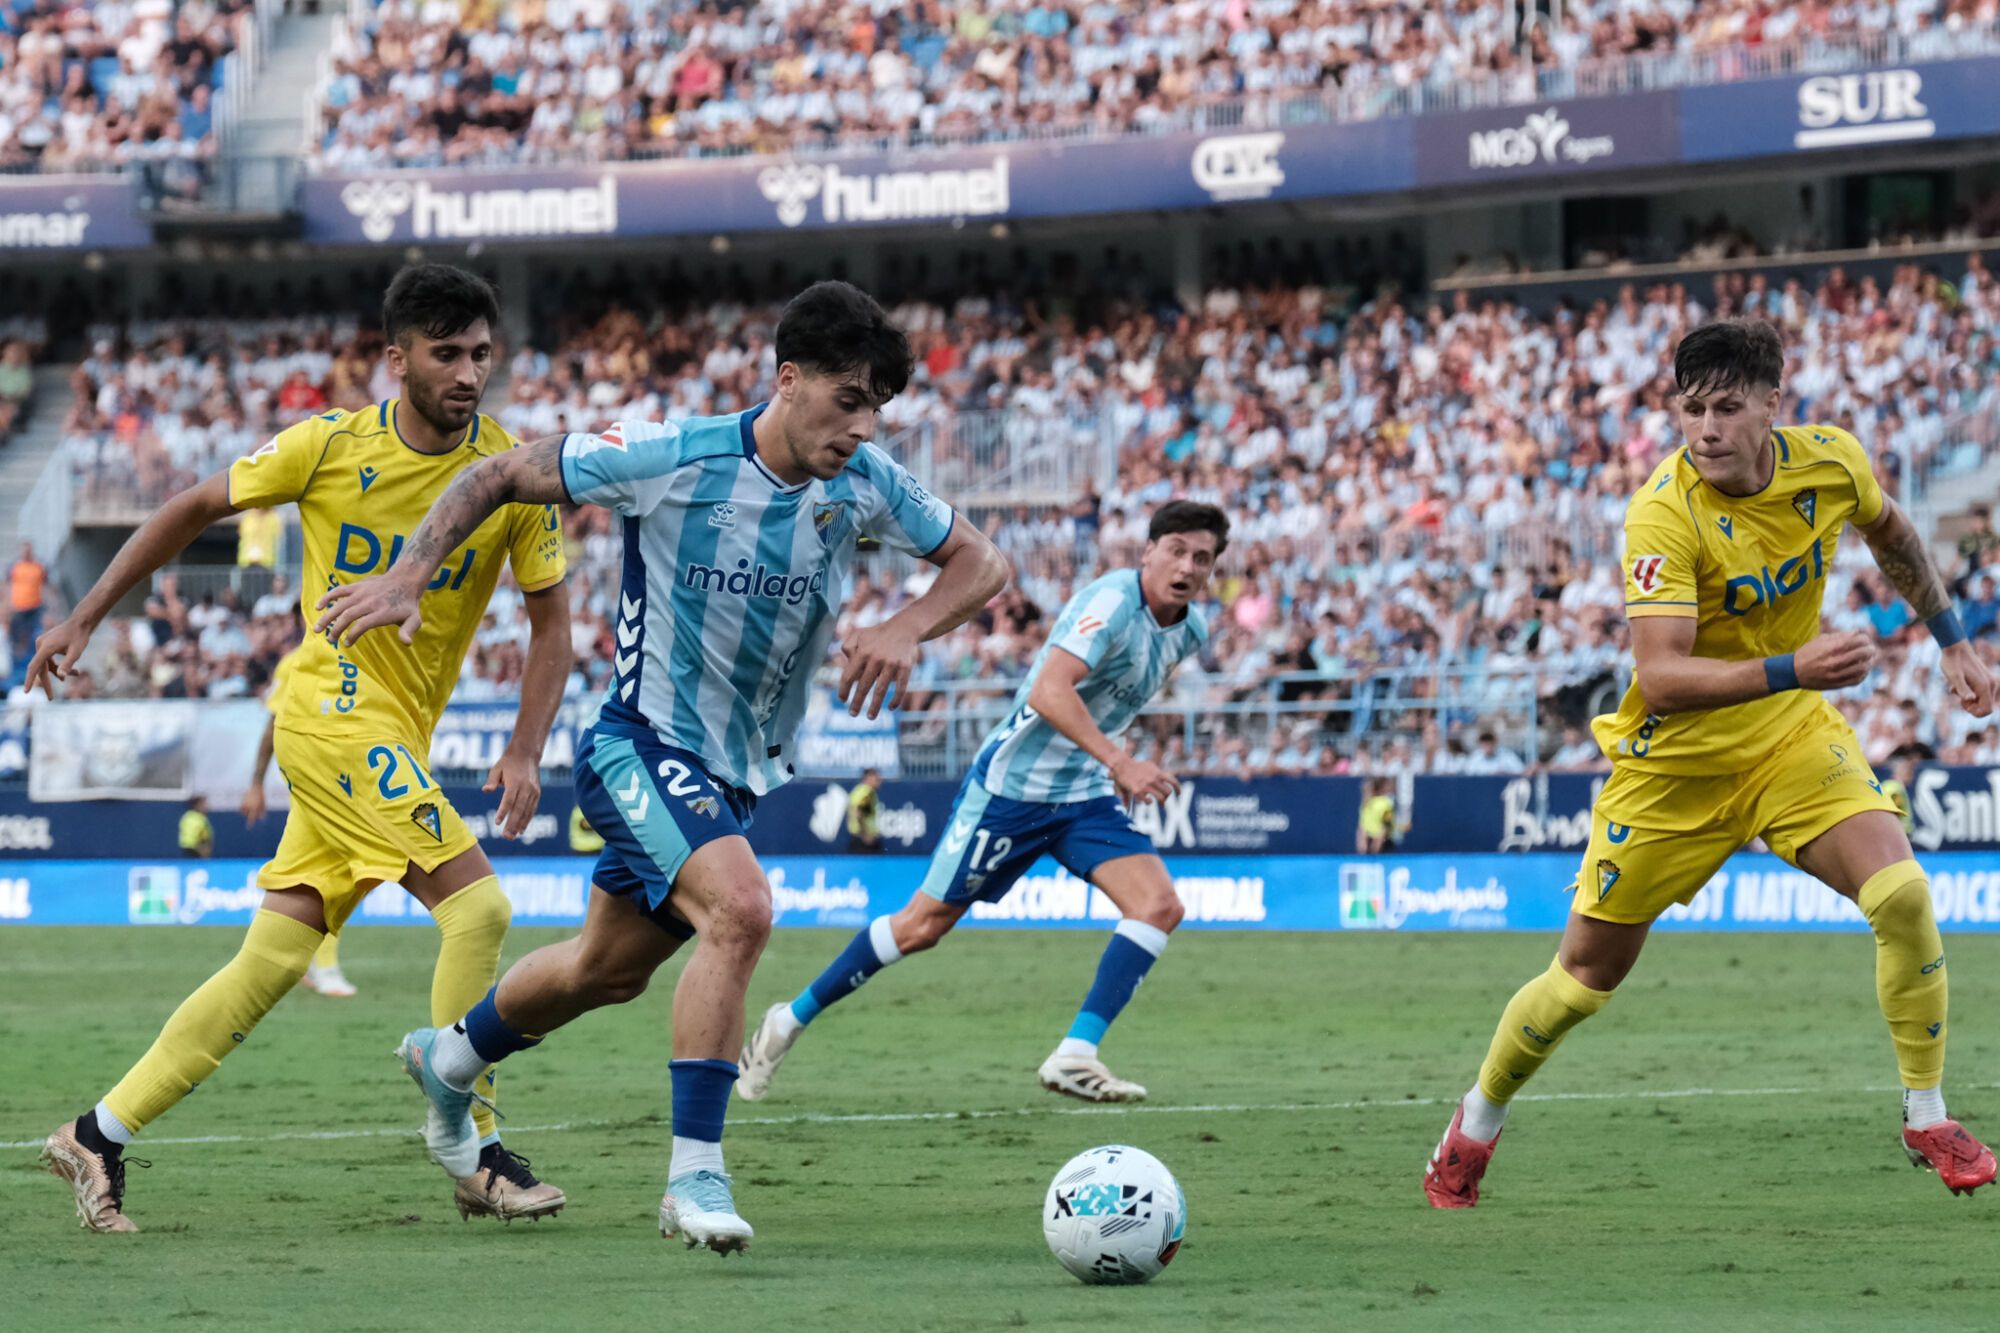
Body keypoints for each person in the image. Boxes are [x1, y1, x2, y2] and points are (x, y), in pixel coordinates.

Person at [313, 280, 1010, 1255]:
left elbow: (983, 563)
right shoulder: (669, 454)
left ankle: (450, 1056)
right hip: (638, 743)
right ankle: (694, 1175)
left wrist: (904, 622)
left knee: (604, 971)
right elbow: (499, 476)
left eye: (876, 408)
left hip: (733, 776)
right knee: (742, 908)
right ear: (787, 379)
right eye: (846, 401)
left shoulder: (867, 484)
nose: (861, 426)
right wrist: (409, 571)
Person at [36, 264, 573, 1233]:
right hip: (330, 710)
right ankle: (470, 1146)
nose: (467, 373)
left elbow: (551, 625)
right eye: (445, 354)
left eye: (480, 354)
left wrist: (526, 748)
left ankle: (97, 1131)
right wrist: (82, 616)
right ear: (395, 359)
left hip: (388, 733)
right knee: (480, 906)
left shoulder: (510, 474)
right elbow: (193, 506)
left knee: (274, 958)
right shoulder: (329, 445)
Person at [1423, 318, 1998, 1209]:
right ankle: (1477, 1119)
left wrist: (1953, 641)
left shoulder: (1831, 462)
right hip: (1673, 768)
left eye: (1728, 407)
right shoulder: (1663, 511)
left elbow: (1895, 535)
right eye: (1691, 410)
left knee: (1904, 895)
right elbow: (1660, 675)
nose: (1706, 430)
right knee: (1585, 977)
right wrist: (1793, 666)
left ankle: (1927, 1113)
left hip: (1787, 738)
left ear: (1776, 400)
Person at [738, 501, 1227, 1107]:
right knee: (921, 928)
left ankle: (1076, 1055)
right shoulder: (1112, 602)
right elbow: (1049, 690)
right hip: (1013, 789)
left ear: (1212, 570)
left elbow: (1111, 700)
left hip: (1080, 792)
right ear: (1148, 551)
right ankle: (787, 1020)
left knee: (1158, 905)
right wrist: (1120, 760)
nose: (1186, 566)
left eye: (1201, 557)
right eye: (1175, 549)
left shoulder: (1191, 631)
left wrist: (1112, 759)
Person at [243, 643, 355, 998]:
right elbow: (272, 723)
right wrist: (256, 784)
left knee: (332, 873)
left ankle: (275, 931)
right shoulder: (296, 661)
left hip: (354, 782)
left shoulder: (368, 652)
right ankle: (324, 966)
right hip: (315, 781)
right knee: (333, 874)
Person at [10, 541, 48, 673]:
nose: (26, 552)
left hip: (35, 607)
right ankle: (18, 669)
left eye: (28, 550)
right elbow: (7, 585)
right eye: (24, 550)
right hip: (19, 607)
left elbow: (46, 586)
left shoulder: (38, 566)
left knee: (35, 637)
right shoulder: (15, 566)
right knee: (19, 641)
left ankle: (35, 666)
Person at [846, 767, 883, 853]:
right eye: (876, 779)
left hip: (860, 838)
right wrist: (865, 834)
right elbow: (858, 813)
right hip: (864, 841)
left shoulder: (860, 791)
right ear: (868, 778)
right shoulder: (866, 793)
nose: (879, 781)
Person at [178, 795, 213, 859]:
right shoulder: (200, 819)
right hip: (196, 853)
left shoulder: (186, 816)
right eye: (204, 804)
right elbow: (201, 840)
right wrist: (203, 852)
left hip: (186, 852)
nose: (206, 806)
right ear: (197, 805)